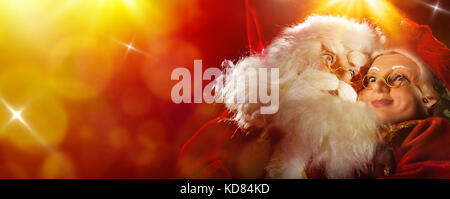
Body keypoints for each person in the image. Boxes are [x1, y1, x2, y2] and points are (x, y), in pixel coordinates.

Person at [176, 15, 385, 179]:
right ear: (292, 59)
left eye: (350, 71)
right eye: (328, 57)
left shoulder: (360, 157)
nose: (339, 75)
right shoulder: (225, 135)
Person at [357, 19, 450, 178]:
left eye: (398, 78)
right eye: (371, 80)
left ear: (429, 96)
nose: (379, 87)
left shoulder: (433, 131)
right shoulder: (353, 140)